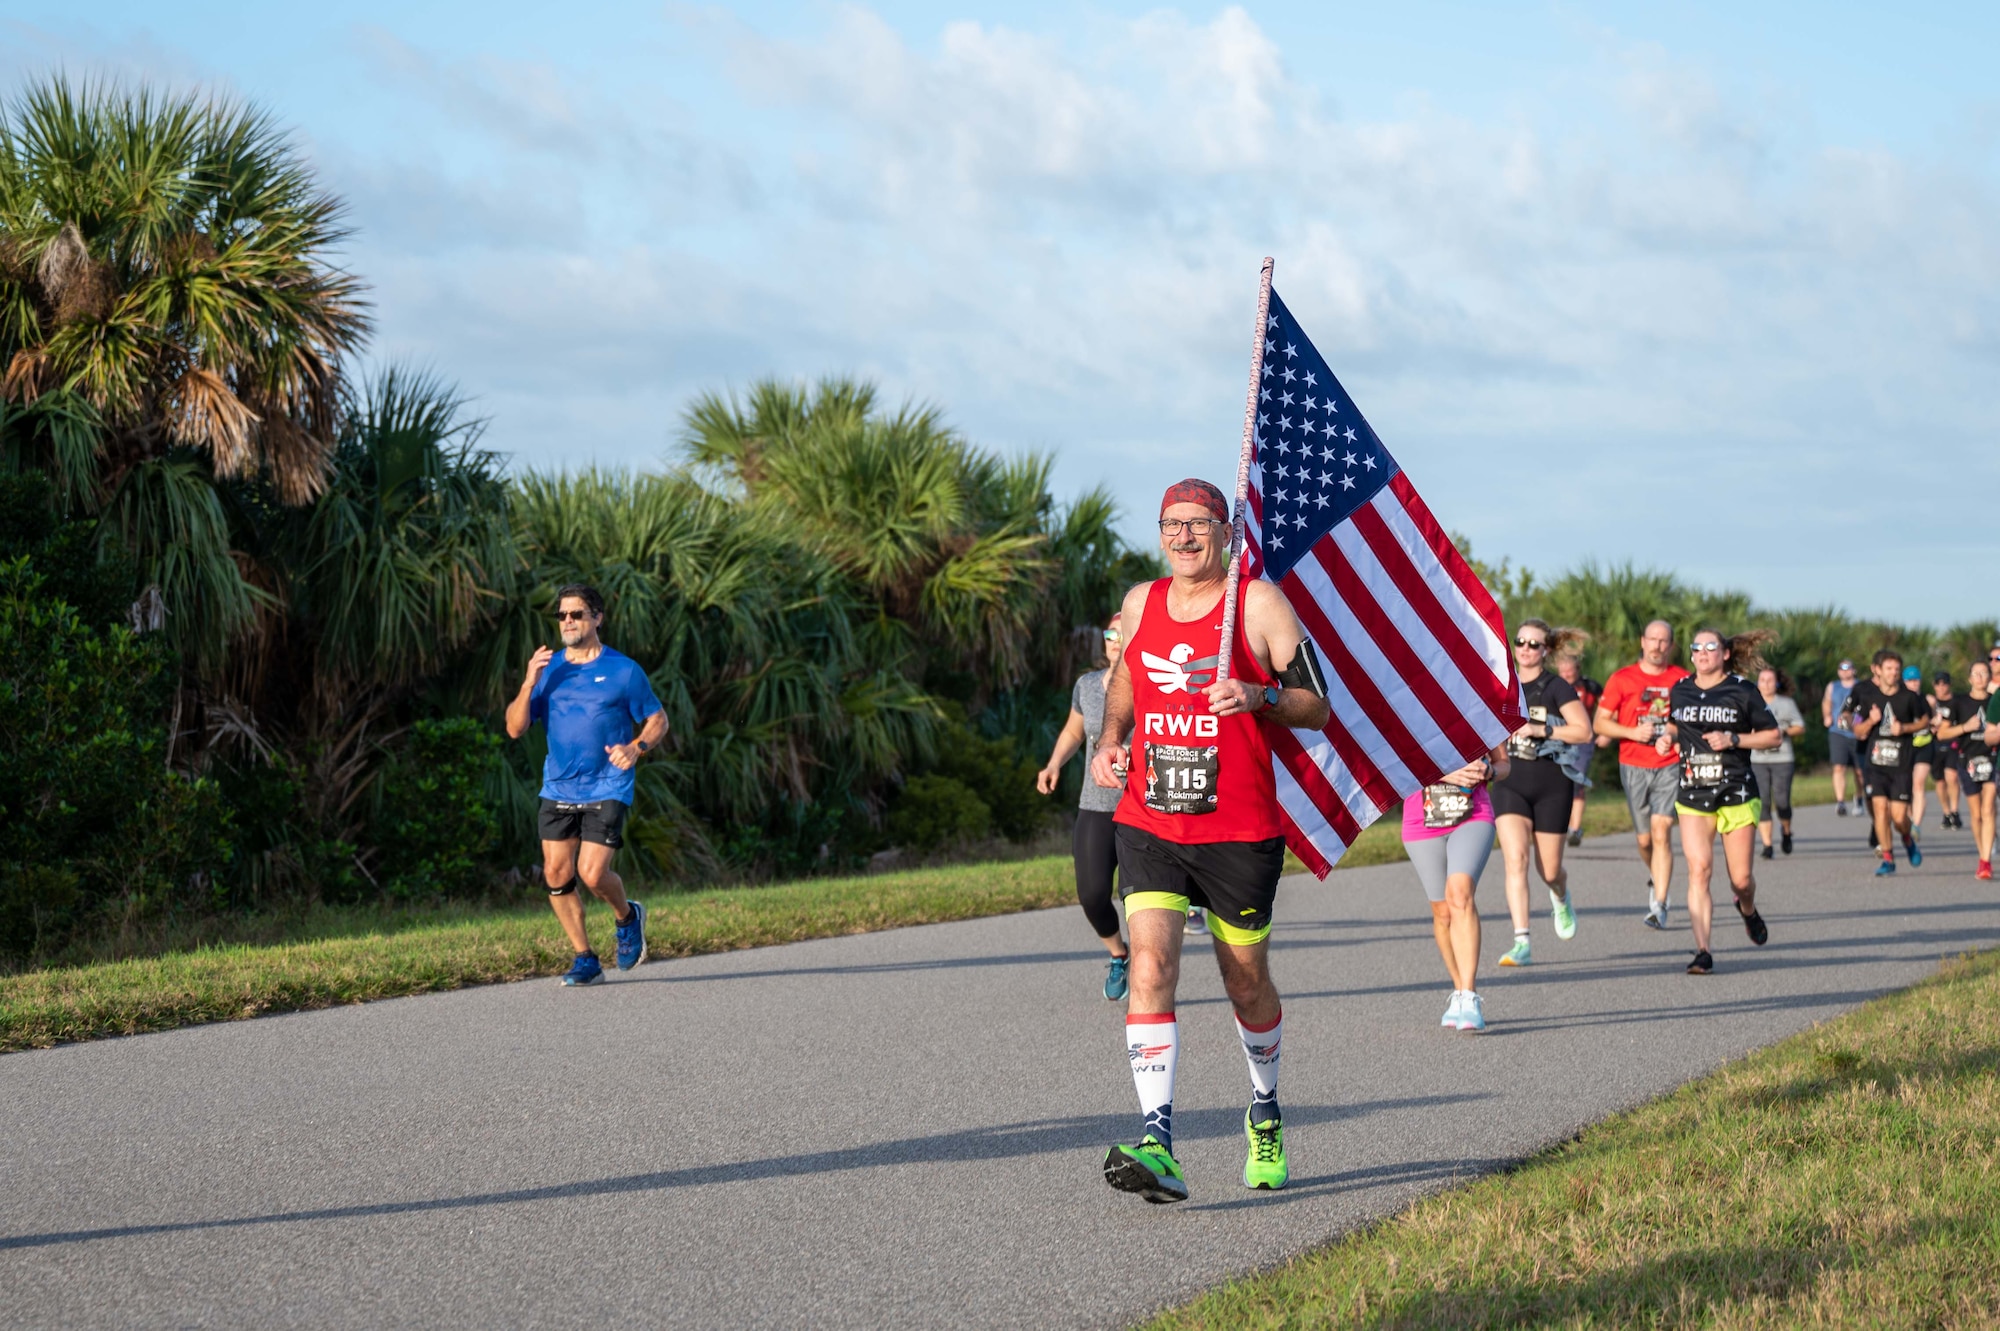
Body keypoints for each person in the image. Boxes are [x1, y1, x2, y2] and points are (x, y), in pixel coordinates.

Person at [1088, 479, 1331, 1205]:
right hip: (1152, 819)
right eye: (1173, 523)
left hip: (1239, 829)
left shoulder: (1257, 604)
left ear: (1227, 531)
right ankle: (1158, 1139)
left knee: (1244, 980)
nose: (1185, 536)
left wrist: (1259, 695)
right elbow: (1127, 678)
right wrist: (1110, 739)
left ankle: (1264, 1108)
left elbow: (1317, 705)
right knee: (1151, 962)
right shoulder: (1141, 602)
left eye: (1200, 523)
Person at [504, 583, 667, 986]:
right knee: (557, 876)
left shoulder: (624, 671)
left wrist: (637, 747)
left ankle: (627, 917)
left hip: (608, 784)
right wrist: (528, 683)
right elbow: (514, 727)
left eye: (577, 614)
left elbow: (658, 719)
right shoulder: (550, 670)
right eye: (562, 615)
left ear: (597, 617)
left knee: (592, 875)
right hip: (559, 786)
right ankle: (585, 959)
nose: (568, 622)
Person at [1661, 629, 1781, 974]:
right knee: (1699, 870)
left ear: (1725, 653)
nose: (1701, 652)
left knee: (1740, 879)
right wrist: (1665, 739)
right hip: (1693, 791)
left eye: (1710, 647)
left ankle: (1747, 908)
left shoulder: (1743, 690)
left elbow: (1774, 736)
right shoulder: (1681, 689)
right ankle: (1702, 950)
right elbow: (1675, 725)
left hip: (1736, 790)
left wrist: (1734, 738)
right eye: (1696, 647)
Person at [1037, 613, 1133, 999]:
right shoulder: (1087, 685)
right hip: (1095, 803)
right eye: (1110, 632)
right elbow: (1074, 731)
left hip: (1143, 805)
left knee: (1138, 896)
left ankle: (1151, 967)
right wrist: (1053, 764)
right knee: (1092, 894)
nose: (1114, 639)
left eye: (1124, 633)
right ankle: (1119, 955)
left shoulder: (1153, 684)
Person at [1490, 619, 1594, 967]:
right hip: (1510, 783)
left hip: (1552, 785)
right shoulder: (1501, 684)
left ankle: (1560, 896)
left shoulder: (1556, 688)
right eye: (1521, 641)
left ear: (1545, 651)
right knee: (1515, 860)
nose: (1525, 649)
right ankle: (1522, 941)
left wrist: (1542, 728)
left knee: (1549, 870)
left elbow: (1583, 732)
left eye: (1534, 644)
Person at [1401, 745, 1509, 1032]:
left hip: (1473, 813)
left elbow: (1504, 764)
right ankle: (1458, 990)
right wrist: (1446, 773)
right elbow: (1395, 763)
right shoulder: (1408, 709)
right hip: (1421, 818)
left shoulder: (1481, 708)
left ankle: (1469, 996)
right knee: (1443, 912)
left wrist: (1490, 771)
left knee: (1460, 894)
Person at [1595, 620, 1690, 928]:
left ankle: (1660, 903)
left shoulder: (1682, 679)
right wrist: (1633, 732)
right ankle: (1656, 874)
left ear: (1671, 646)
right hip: (1633, 764)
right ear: (1642, 641)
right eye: (1652, 639)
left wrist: (1671, 735)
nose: (1657, 646)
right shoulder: (1622, 679)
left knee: (1662, 830)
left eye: (1664, 641)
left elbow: (1689, 720)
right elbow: (1600, 724)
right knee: (1645, 839)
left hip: (1669, 763)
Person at [1850, 649, 1929, 875]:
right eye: (1889, 669)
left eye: (1896, 669)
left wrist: (1904, 728)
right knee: (1880, 810)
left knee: (1898, 817)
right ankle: (1888, 858)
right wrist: (1871, 721)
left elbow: (1924, 721)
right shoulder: (1868, 698)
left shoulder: (1909, 697)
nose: (1893, 673)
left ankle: (1906, 837)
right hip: (1876, 765)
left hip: (1901, 765)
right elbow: (1857, 730)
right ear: (1879, 671)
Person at [1941, 661, 1994, 877]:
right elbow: (1942, 733)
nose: (1980, 677)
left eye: (1984, 673)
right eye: (1976, 673)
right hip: (1968, 760)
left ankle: (1986, 861)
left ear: (1990, 677)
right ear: (1970, 678)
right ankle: (1982, 852)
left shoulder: (1996, 702)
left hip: (1992, 759)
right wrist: (1965, 727)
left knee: (1989, 808)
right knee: (1976, 812)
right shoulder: (1959, 703)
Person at [1751, 666, 1807, 859]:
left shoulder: (1787, 704)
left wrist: (1784, 731)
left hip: (1782, 758)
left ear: (1777, 683)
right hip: (1757, 759)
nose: (1766, 684)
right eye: (1762, 680)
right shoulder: (1751, 702)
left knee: (1782, 801)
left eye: (1769, 680)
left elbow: (1800, 727)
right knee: (1763, 801)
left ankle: (1786, 830)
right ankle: (1767, 845)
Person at [1556, 653, 1603, 847]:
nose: (1567, 674)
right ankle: (1558, 826)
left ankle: (1574, 829)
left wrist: (1604, 731)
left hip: (1583, 741)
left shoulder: (1590, 687)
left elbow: (1609, 707)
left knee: (1576, 781)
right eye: (1563, 671)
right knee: (1557, 783)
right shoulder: (1553, 685)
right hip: (1557, 738)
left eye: (1570, 670)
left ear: (1577, 670)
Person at [1927, 673, 1971, 830]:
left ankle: (1954, 810)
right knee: (1939, 781)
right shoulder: (1932, 703)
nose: (1941, 687)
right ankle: (1946, 813)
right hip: (1935, 743)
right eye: (1938, 684)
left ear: (1949, 685)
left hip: (1953, 742)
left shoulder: (1957, 701)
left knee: (1951, 776)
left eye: (1944, 684)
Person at [1823, 660, 1863, 816]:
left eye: (1848, 669)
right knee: (1839, 767)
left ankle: (1859, 797)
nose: (1845, 672)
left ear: (1854, 670)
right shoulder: (1833, 686)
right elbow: (1826, 702)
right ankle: (1840, 801)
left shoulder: (1860, 686)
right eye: (1842, 669)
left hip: (1857, 732)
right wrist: (1826, 716)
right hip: (1837, 731)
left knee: (1859, 771)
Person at [1904, 665, 1938, 833]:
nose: (1913, 684)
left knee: (1918, 784)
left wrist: (1935, 723)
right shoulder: (1901, 700)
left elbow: (1938, 719)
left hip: (1925, 744)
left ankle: (1916, 824)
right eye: (1909, 680)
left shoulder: (1929, 700)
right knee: (1907, 786)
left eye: (1916, 680)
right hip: (1907, 746)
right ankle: (1910, 818)